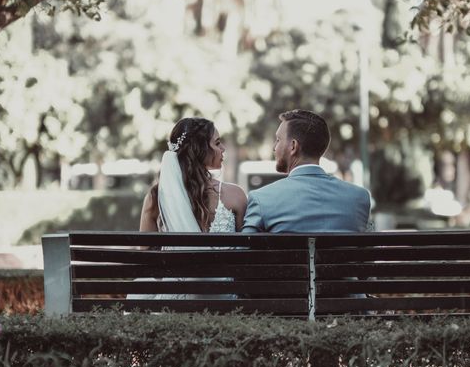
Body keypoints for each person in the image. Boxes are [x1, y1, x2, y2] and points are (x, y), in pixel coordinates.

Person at [132, 117, 247, 301]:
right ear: (199, 150)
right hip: (225, 303)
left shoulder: (155, 198)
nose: (223, 148)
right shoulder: (235, 195)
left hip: (174, 304)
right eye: (217, 143)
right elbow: (246, 257)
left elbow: (147, 259)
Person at [242, 109, 371, 233]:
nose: (274, 147)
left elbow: (244, 252)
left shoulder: (262, 199)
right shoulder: (359, 198)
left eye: (278, 140)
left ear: (293, 146)